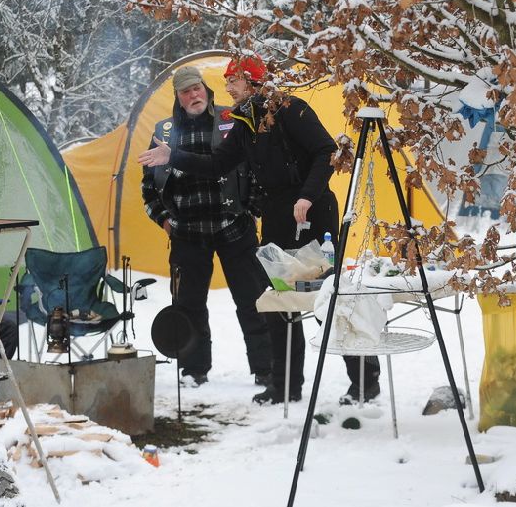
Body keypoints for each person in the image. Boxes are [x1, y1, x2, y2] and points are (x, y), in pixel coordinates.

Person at [139, 56, 381, 405]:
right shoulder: (244, 122)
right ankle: (285, 386)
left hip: (313, 216)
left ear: (253, 81)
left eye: (233, 81)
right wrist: (172, 156)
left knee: (328, 300)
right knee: (280, 303)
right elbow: (217, 164)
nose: (227, 88)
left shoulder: (290, 109)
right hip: (277, 219)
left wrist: (307, 195)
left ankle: (364, 381)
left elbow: (326, 151)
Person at [141, 65, 273, 387]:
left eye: (197, 88)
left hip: (234, 227)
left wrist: (253, 210)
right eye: (186, 91)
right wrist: (164, 220)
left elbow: (257, 167)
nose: (193, 95)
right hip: (187, 233)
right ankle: (193, 369)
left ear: (206, 89)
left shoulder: (232, 120)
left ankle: (266, 368)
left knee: (253, 300)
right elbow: (148, 187)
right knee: (188, 306)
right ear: (178, 97)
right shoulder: (163, 133)